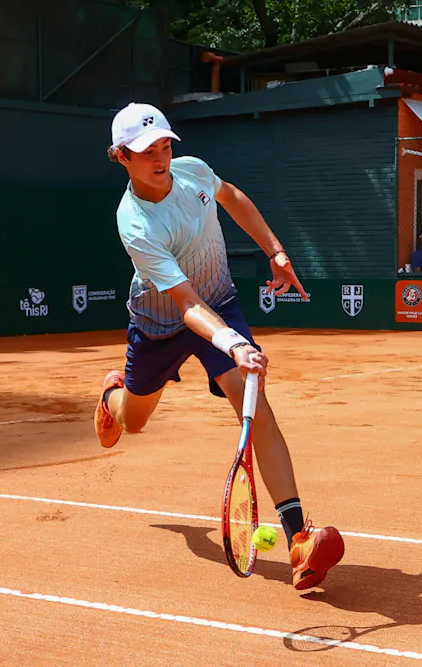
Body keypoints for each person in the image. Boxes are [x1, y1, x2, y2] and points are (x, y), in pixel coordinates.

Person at [95, 102, 344, 591]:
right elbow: (184, 302)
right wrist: (233, 343)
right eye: (147, 151)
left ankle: (298, 541)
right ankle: (111, 397)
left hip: (220, 303)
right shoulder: (135, 222)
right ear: (121, 156)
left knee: (259, 411)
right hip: (161, 322)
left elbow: (231, 196)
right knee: (135, 421)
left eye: (165, 144)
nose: (161, 157)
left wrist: (275, 251)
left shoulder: (193, 172)